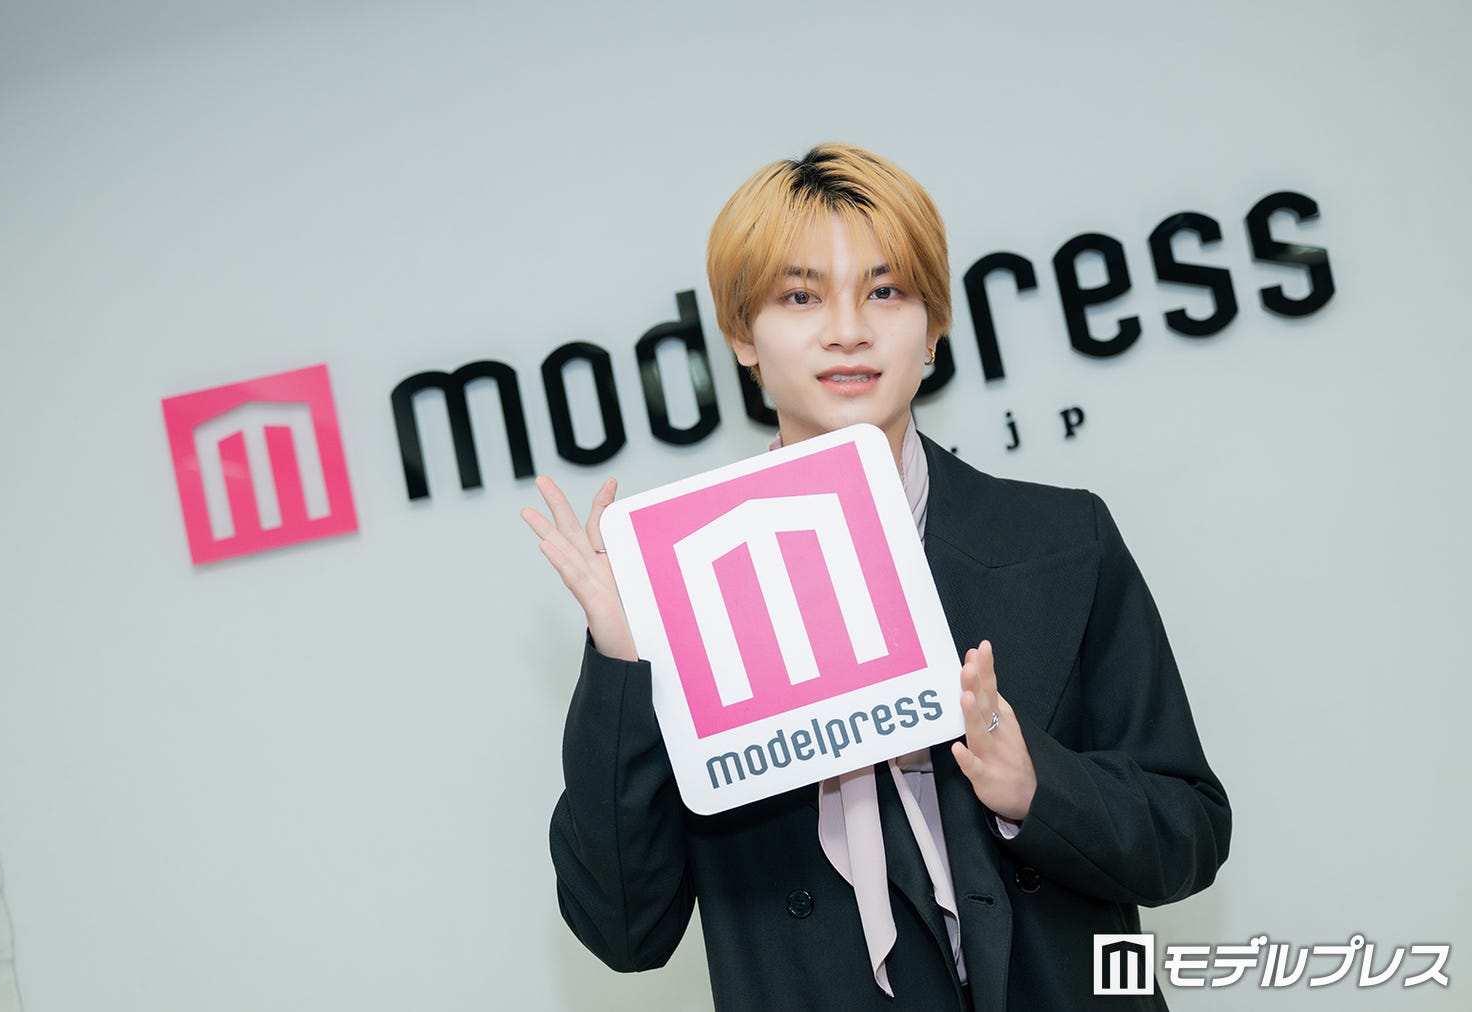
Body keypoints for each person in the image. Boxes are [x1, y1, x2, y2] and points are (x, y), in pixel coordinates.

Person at [521, 143, 1230, 1010]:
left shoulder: (1061, 539)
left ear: (933, 327)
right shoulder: (685, 583)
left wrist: (1035, 787)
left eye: (886, 292)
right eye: (801, 296)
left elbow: (1190, 828)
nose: (848, 329)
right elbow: (625, 931)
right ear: (742, 336)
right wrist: (624, 661)